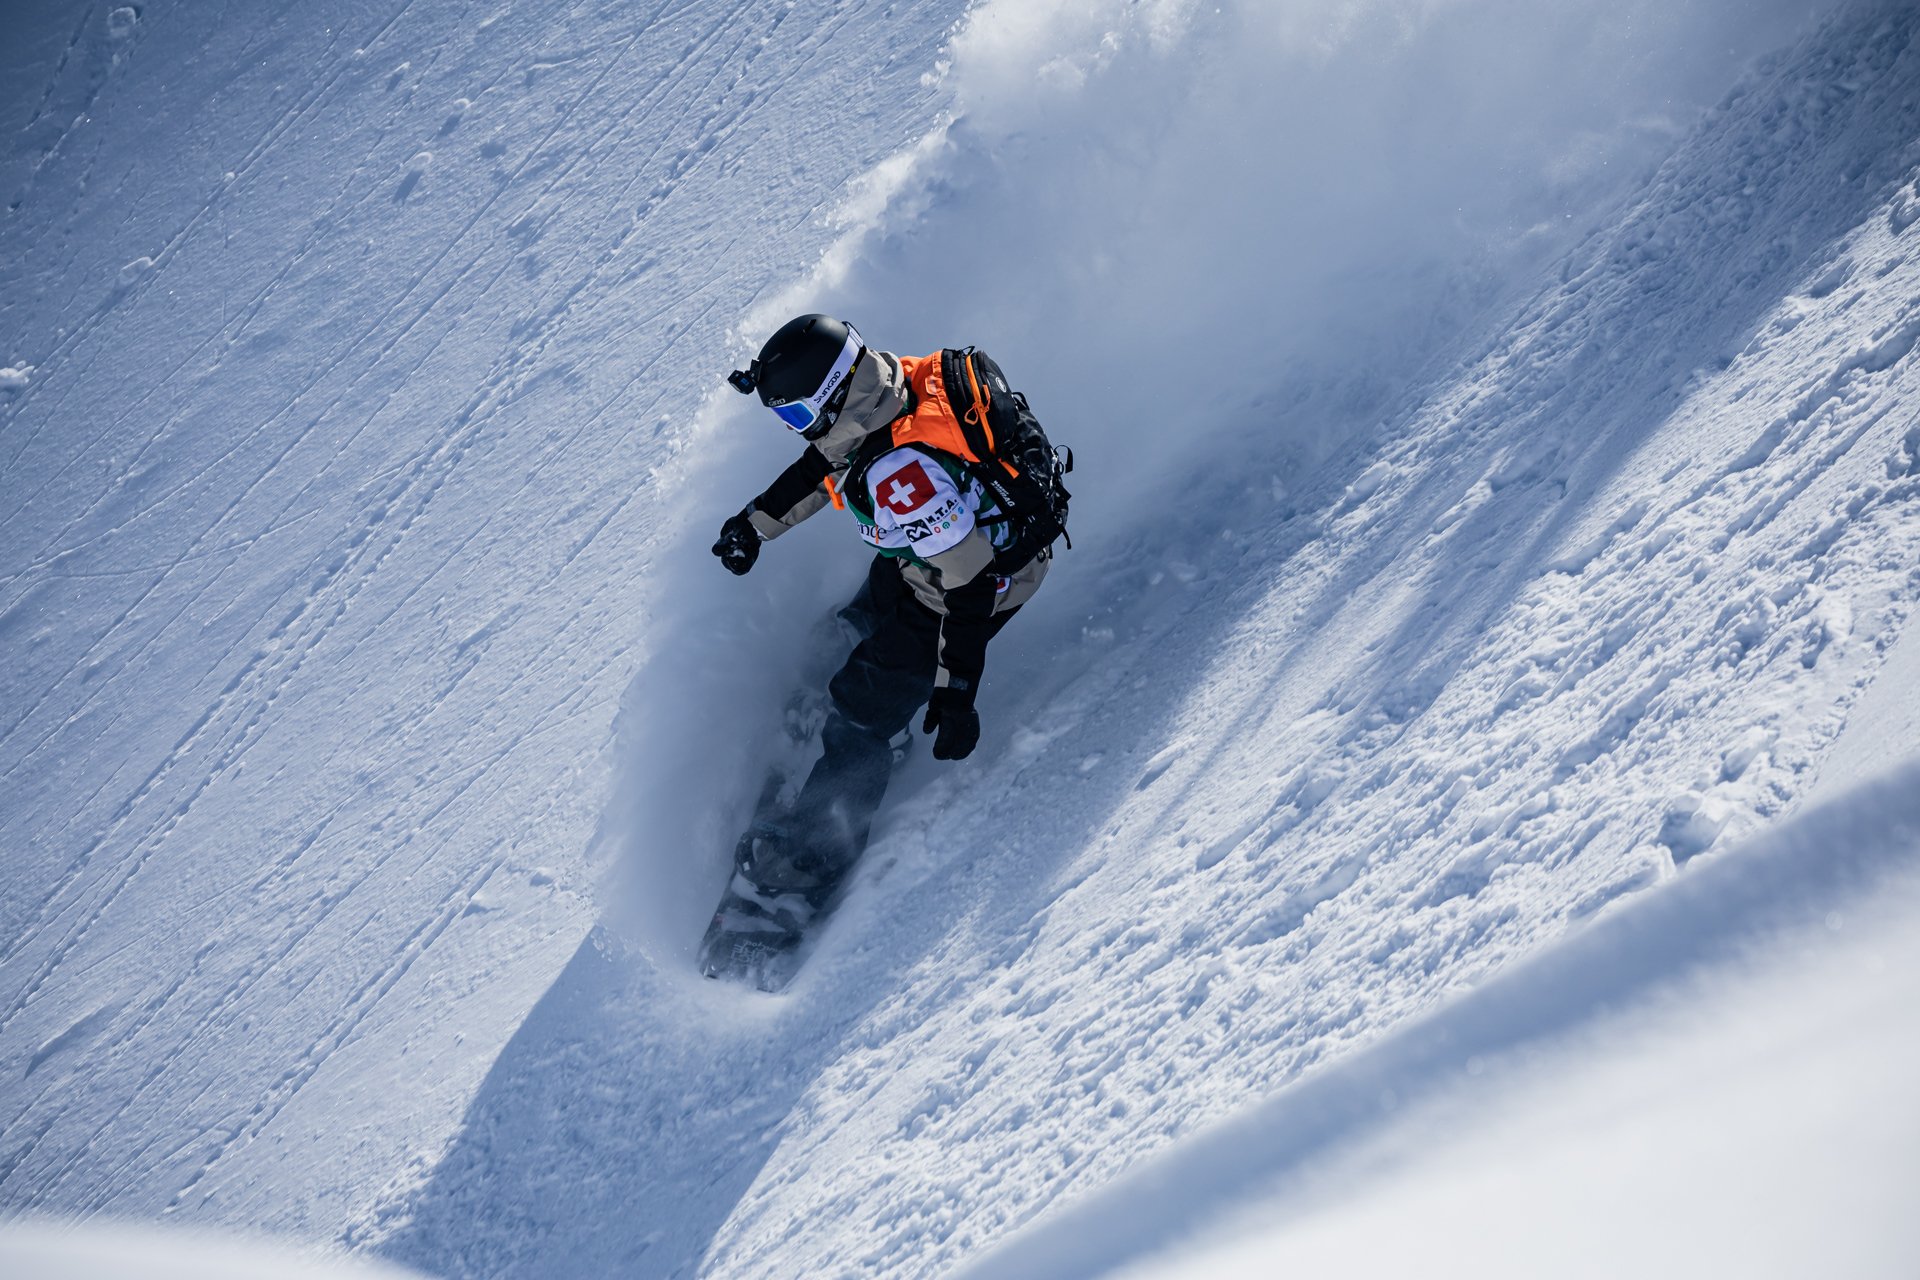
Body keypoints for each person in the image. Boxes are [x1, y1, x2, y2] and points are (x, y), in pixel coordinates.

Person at [711, 313, 1066, 917]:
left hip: (972, 586)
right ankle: (851, 675)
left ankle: (807, 858)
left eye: (797, 415)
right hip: (935, 553)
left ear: (830, 396)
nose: (798, 431)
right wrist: (754, 525)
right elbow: (826, 465)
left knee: (860, 711)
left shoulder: (902, 476)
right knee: (858, 616)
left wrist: (954, 692)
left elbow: (970, 583)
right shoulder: (887, 386)